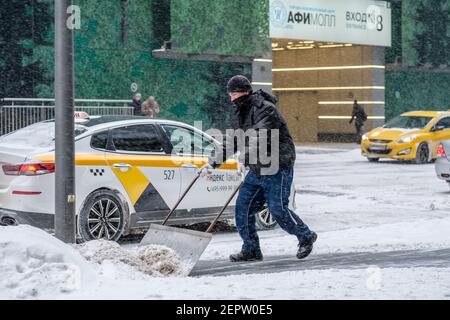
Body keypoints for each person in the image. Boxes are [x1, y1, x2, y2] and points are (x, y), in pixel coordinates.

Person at [199, 75, 317, 262]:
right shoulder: (241, 111)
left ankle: (305, 236)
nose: (231, 97)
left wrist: (242, 158)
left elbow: (259, 137)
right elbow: (234, 140)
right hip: (256, 168)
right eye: (230, 94)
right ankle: (251, 249)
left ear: (243, 92)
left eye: (233, 93)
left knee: (277, 209)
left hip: (276, 166)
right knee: (243, 209)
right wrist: (213, 163)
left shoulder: (266, 109)